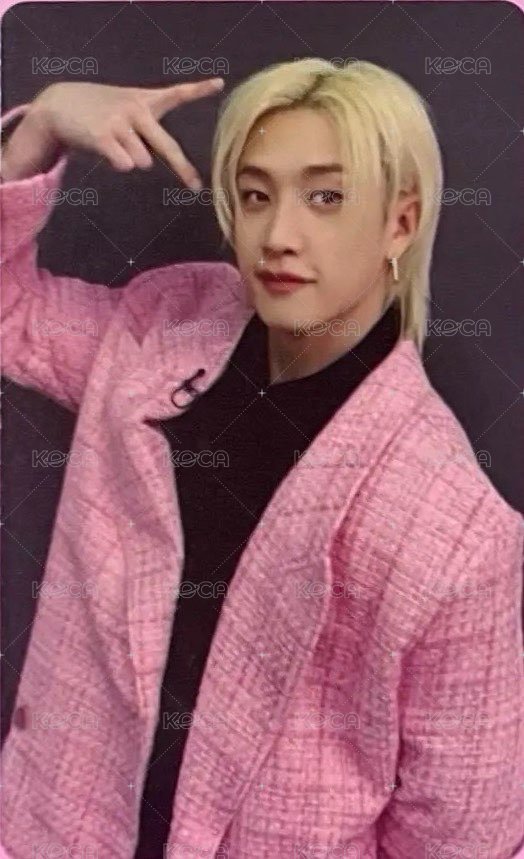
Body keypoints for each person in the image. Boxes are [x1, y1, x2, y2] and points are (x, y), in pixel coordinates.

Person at [1, 57, 524, 859]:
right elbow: (12, 315)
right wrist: (37, 131)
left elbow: (463, 838)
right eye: (255, 195)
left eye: (326, 197)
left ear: (400, 223)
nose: (278, 235)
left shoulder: (457, 535)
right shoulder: (161, 327)